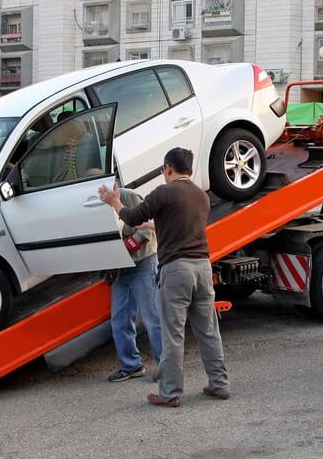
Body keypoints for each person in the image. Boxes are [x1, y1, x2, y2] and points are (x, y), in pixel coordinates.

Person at [98, 147, 229, 408]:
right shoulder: (200, 197)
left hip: (177, 269)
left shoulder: (164, 192)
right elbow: (182, 225)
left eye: (163, 170)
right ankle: (219, 384)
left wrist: (115, 201)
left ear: (168, 168)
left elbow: (133, 216)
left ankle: (170, 392)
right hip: (203, 267)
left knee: (173, 334)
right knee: (209, 331)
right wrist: (153, 225)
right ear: (189, 169)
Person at [107, 189, 163, 382]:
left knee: (153, 318)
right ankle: (131, 365)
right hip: (120, 269)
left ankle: (166, 366)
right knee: (119, 319)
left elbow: (147, 228)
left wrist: (129, 245)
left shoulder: (129, 197)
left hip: (143, 262)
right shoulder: (93, 206)